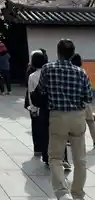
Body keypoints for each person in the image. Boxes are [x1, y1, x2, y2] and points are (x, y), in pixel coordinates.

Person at [32, 39, 92, 200]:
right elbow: (89, 97)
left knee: (56, 157)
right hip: (78, 117)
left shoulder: (47, 69)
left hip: (58, 116)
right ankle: (78, 194)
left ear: (58, 52)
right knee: (80, 159)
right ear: (72, 54)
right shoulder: (81, 72)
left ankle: (62, 193)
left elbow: (40, 91)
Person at [27, 50, 71, 170]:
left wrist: (33, 108)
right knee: (60, 133)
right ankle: (64, 157)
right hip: (56, 106)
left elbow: (31, 94)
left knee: (46, 134)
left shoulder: (32, 76)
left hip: (42, 108)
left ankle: (47, 158)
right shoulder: (54, 72)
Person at [71, 53, 95, 146]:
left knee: (75, 124)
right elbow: (88, 88)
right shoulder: (83, 72)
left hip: (74, 103)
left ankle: (72, 141)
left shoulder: (69, 72)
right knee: (91, 122)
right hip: (85, 101)